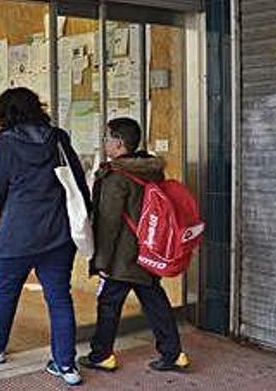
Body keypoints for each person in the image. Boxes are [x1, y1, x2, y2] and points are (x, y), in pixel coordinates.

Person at [0, 87, 90, 386]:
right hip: (58, 234)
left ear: (4, 113)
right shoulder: (58, 139)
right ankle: (66, 365)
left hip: (17, 235)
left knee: (6, 294)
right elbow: (77, 183)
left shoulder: (3, 145)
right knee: (59, 298)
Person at [78, 117, 190, 373]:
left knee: (108, 304)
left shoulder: (115, 176)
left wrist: (101, 262)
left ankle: (101, 355)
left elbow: (108, 225)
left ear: (118, 143)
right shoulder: (150, 170)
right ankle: (174, 353)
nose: (105, 143)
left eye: (107, 138)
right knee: (155, 303)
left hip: (122, 258)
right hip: (147, 251)